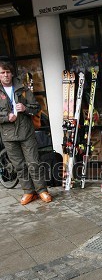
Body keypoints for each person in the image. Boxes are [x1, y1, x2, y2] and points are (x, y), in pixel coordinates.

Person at [0, 62, 52, 204]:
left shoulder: (22, 89)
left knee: (33, 162)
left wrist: (25, 108)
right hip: (8, 135)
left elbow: (36, 107)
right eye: (2, 73)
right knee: (19, 165)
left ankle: (42, 190)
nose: (6, 75)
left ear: (12, 74)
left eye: (8, 72)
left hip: (26, 132)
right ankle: (28, 192)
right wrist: (6, 118)